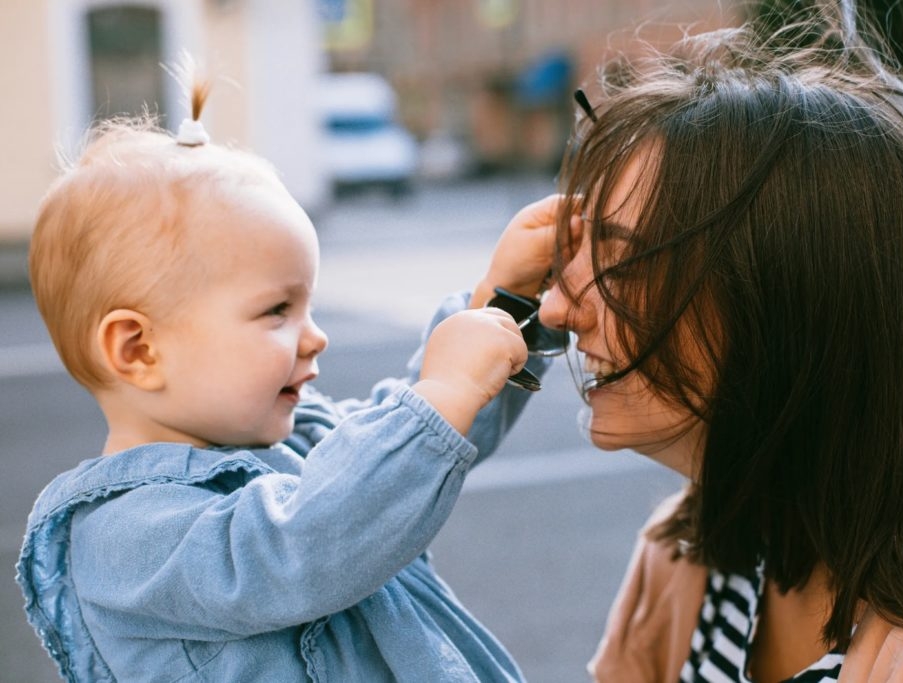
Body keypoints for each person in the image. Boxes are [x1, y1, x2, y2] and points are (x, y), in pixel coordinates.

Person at [17, 66, 562, 682]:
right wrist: (444, 394)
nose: (315, 335)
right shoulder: (122, 539)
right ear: (138, 349)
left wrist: (504, 303)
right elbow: (304, 543)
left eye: (307, 306)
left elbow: (402, 445)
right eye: (277, 310)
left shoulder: (294, 442)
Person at [529, 6, 903, 682]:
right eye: (573, 252)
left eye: (623, 264)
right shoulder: (687, 552)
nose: (556, 306)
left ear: (793, 303)